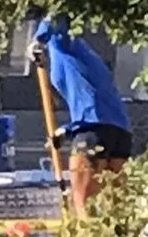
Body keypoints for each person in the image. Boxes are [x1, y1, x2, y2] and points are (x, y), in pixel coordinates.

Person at [29, 19, 131, 212]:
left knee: (84, 208)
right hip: (119, 132)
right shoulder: (85, 59)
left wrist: (38, 40)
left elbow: (58, 13)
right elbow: (93, 104)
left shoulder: (64, 44)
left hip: (93, 130)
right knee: (114, 211)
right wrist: (65, 132)